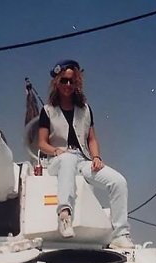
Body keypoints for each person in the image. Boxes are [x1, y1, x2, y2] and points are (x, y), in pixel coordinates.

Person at [38, 59, 133, 248]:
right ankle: (64, 215)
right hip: (57, 161)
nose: (67, 85)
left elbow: (92, 139)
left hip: (82, 160)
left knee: (118, 182)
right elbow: (42, 143)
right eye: (64, 80)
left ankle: (120, 234)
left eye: (71, 81)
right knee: (66, 160)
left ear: (76, 83)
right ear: (57, 82)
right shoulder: (48, 111)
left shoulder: (85, 109)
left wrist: (96, 157)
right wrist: (56, 150)